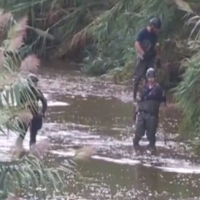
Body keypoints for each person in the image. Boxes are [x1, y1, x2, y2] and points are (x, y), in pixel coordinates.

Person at [133, 68, 166, 148]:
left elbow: (163, 103)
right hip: (142, 113)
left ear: (155, 78)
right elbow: (139, 101)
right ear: (147, 78)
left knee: (151, 137)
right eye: (149, 77)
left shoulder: (158, 89)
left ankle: (152, 152)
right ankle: (136, 150)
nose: (151, 79)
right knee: (137, 135)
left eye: (152, 77)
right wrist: (136, 112)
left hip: (152, 115)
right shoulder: (143, 88)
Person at [15, 73, 47, 150]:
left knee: (26, 134)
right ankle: (27, 150)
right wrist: (42, 112)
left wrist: (42, 112)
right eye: (34, 82)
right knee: (27, 134)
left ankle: (21, 149)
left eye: (35, 82)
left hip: (30, 114)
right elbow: (45, 102)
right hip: (28, 114)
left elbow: (44, 102)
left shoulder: (25, 91)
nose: (35, 84)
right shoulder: (30, 91)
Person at [133, 17, 162, 102]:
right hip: (142, 58)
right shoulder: (143, 32)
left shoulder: (155, 36)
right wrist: (142, 53)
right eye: (156, 28)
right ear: (152, 26)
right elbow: (137, 43)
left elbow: (157, 47)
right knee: (137, 78)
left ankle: (146, 96)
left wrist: (158, 59)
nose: (157, 30)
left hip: (150, 58)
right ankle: (134, 97)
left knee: (150, 78)